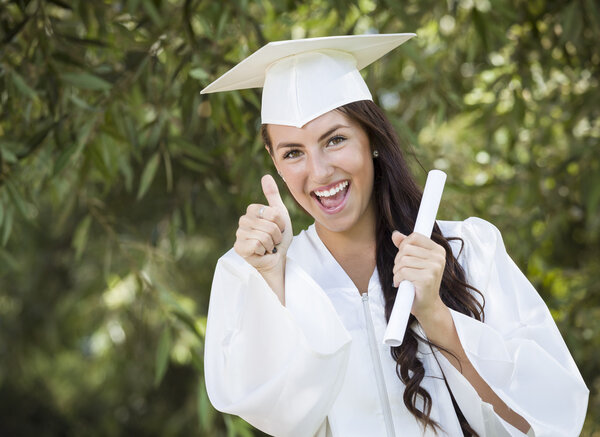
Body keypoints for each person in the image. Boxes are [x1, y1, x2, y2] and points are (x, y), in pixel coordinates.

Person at [200, 34, 589, 437]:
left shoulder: (469, 251)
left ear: (371, 139)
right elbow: (275, 418)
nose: (318, 173)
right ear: (275, 163)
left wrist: (436, 315)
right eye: (293, 152)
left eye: (335, 140)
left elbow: (550, 420)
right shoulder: (266, 273)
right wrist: (272, 282)